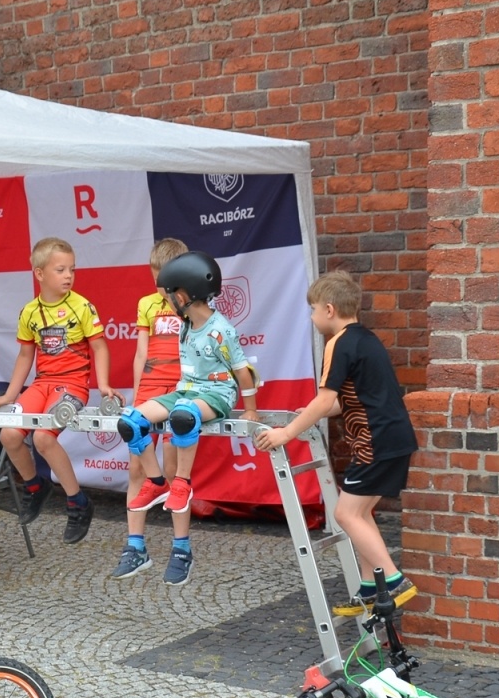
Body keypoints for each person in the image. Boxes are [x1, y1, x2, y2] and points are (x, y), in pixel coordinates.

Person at [254, 269, 417, 613]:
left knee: (345, 513)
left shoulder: (338, 343)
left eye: (312, 310)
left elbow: (326, 399)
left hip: (376, 441)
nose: (312, 317)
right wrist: (310, 413)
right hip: (391, 438)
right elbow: (354, 398)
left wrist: (286, 432)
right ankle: (372, 587)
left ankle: (394, 580)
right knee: (360, 513)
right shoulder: (366, 339)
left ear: (329, 309)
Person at [115, 251, 260, 586]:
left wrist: (250, 407)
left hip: (215, 394)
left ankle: (181, 482)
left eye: (169, 295)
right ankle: (156, 482)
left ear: (183, 295)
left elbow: (242, 370)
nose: (165, 301)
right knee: (131, 421)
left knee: (182, 417)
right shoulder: (186, 324)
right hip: (186, 390)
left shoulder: (219, 330)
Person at [0, 237, 119, 544]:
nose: (68, 276)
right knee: (8, 435)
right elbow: (25, 356)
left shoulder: (82, 307)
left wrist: (102, 384)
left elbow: (99, 347)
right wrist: (11, 394)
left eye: (72, 270)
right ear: (39, 273)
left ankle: (78, 503)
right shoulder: (29, 312)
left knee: (43, 437)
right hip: (41, 384)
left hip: (73, 385)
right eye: (60, 269)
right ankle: (36, 487)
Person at [112, 237, 188, 579]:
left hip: (183, 389)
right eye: (155, 278)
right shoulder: (146, 303)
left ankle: (180, 546)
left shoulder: (190, 303)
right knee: (135, 469)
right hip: (152, 388)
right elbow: (141, 353)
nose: (160, 287)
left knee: (174, 471)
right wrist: (139, 394)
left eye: (166, 280)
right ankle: (135, 545)